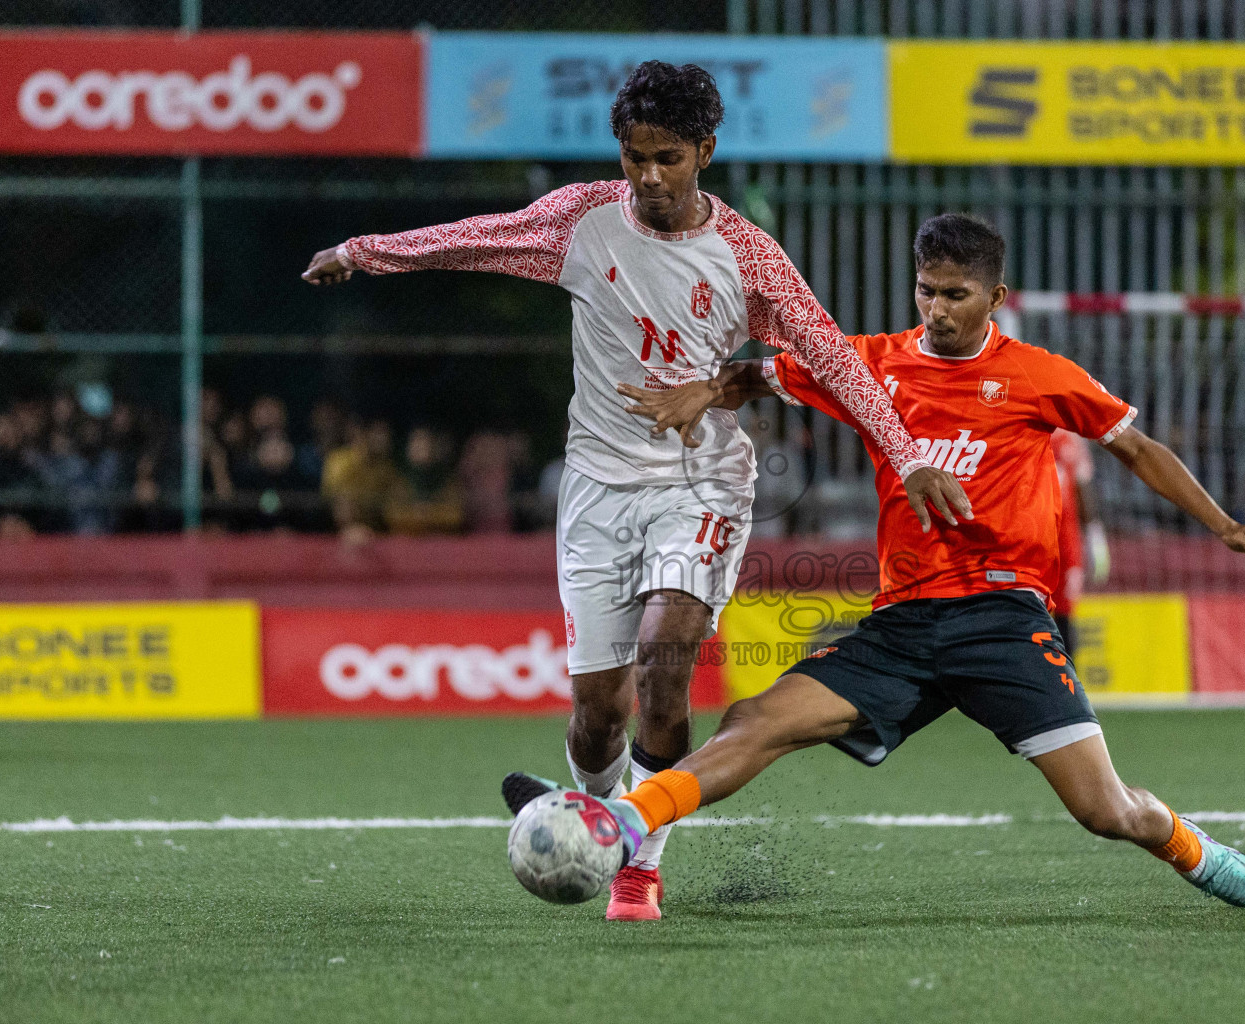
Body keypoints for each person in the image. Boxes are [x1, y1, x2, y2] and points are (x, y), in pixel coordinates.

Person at [303, 61, 968, 921]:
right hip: (597, 491)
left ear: (706, 151)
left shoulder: (748, 256)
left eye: (668, 158)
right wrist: (365, 253)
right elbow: (475, 236)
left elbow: (831, 357)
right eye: (635, 156)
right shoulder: (578, 221)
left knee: (667, 656)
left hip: (701, 484)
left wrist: (906, 451)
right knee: (595, 717)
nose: (649, 177)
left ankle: (637, 860)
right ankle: (590, 799)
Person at [508, 213, 1245, 911]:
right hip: (903, 625)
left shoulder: (1039, 375)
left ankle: (1196, 850)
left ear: (996, 296)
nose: (938, 310)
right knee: (757, 720)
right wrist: (705, 393)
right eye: (926, 291)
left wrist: (1224, 527)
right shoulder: (872, 365)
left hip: (1002, 619)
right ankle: (625, 821)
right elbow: (761, 375)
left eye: (957, 294)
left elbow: (1137, 447)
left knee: (1107, 813)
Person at [1048, 429, 1109, 655]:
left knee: (1065, 615)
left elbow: (1083, 486)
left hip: (1066, 542)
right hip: (1031, 538)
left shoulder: (1070, 437)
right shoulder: (1023, 428)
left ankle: (1067, 683)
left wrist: (1094, 534)